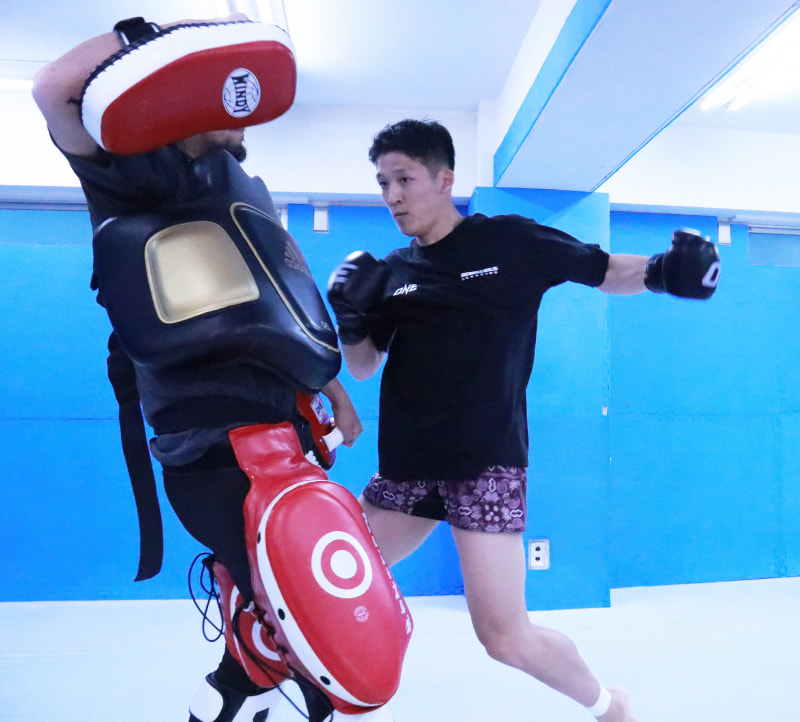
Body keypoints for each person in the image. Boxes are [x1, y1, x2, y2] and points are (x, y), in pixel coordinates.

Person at [32, 16, 410, 722]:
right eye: (216, 94)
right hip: (210, 450)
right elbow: (54, 89)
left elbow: (280, 313)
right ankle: (252, 687)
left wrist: (333, 391)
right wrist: (157, 36)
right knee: (294, 621)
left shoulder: (242, 192)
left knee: (270, 615)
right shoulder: (134, 176)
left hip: (283, 437)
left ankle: (238, 691)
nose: (238, 116)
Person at [327, 119, 721, 722]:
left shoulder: (508, 240)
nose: (392, 196)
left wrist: (664, 272)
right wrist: (352, 320)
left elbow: (603, 269)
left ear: (444, 178)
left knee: (504, 637)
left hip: (485, 463)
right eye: (383, 183)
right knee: (328, 576)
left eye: (404, 179)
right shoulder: (393, 270)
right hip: (407, 465)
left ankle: (609, 705)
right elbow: (362, 366)